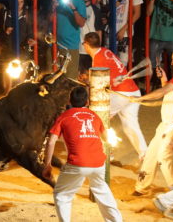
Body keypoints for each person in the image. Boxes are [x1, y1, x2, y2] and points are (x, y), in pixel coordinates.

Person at [42, 86, 122, 222]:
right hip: (98, 164)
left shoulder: (64, 116)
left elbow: (51, 142)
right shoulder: (95, 116)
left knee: (62, 194)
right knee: (101, 190)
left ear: (69, 100)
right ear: (86, 102)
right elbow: (106, 139)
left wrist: (47, 164)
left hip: (77, 163)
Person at [131, 48, 173, 196]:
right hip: (167, 123)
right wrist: (163, 78)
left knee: (163, 159)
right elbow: (170, 90)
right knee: (151, 154)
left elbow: (161, 92)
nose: (172, 63)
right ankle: (141, 187)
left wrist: (140, 98)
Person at [83, 32, 147, 161]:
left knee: (98, 117)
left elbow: (100, 86)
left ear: (86, 45)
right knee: (130, 126)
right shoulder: (105, 51)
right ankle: (145, 156)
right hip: (133, 91)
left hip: (121, 93)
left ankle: (106, 151)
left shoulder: (98, 60)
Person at [103, 0, 143, 67]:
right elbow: (104, 9)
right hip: (109, 31)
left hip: (125, 32)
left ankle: (119, 81)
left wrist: (124, 29)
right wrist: (111, 7)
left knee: (122, 64)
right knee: (108, 61)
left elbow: (137, 13)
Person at [52, 0, 86, 79]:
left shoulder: (79, 1)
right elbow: (49, 20)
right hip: (55, 45)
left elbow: (81, 23)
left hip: (71, 46)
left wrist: (73, 8)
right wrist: (53, 8)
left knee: (70, 79)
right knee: (53, 79)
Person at [79, 0, 102, 73]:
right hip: (77, 48)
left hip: (91, 49)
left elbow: (98, 30)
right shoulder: (75, 8)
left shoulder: (96, 10)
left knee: (89, 76)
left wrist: (98, 49)